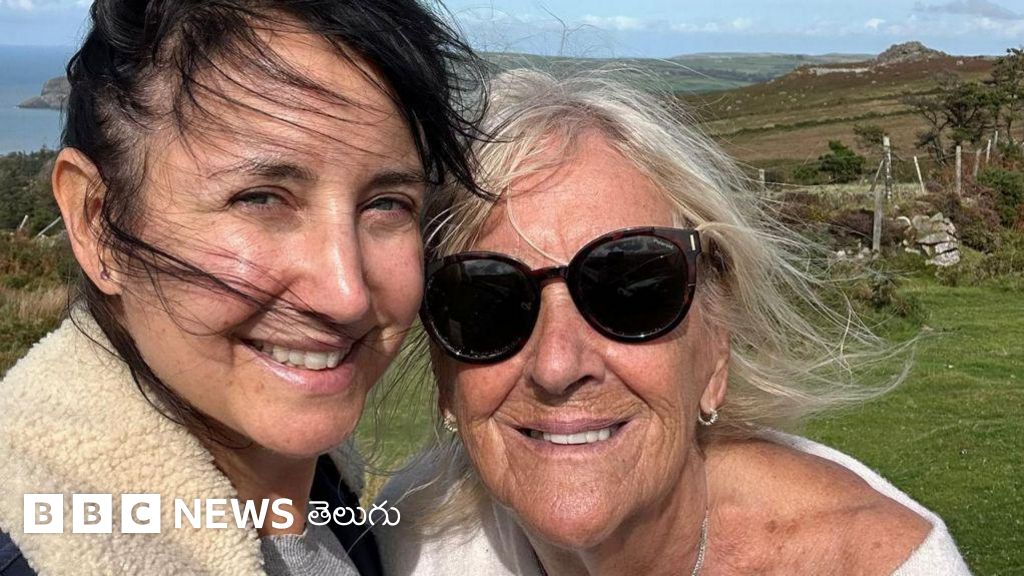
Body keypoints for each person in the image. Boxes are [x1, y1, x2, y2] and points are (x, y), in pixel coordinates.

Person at [376, 70, 972, 575]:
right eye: (485, 303)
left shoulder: (881, 564)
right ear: (443, 373)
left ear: (716, 347)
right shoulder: (407, 536)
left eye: (630, 290)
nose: (557, 366)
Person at [0, 1, 484, 574]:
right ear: (96, 223)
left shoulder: (330, 501)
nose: (346, 294)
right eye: (260, 198)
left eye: (387, 204)